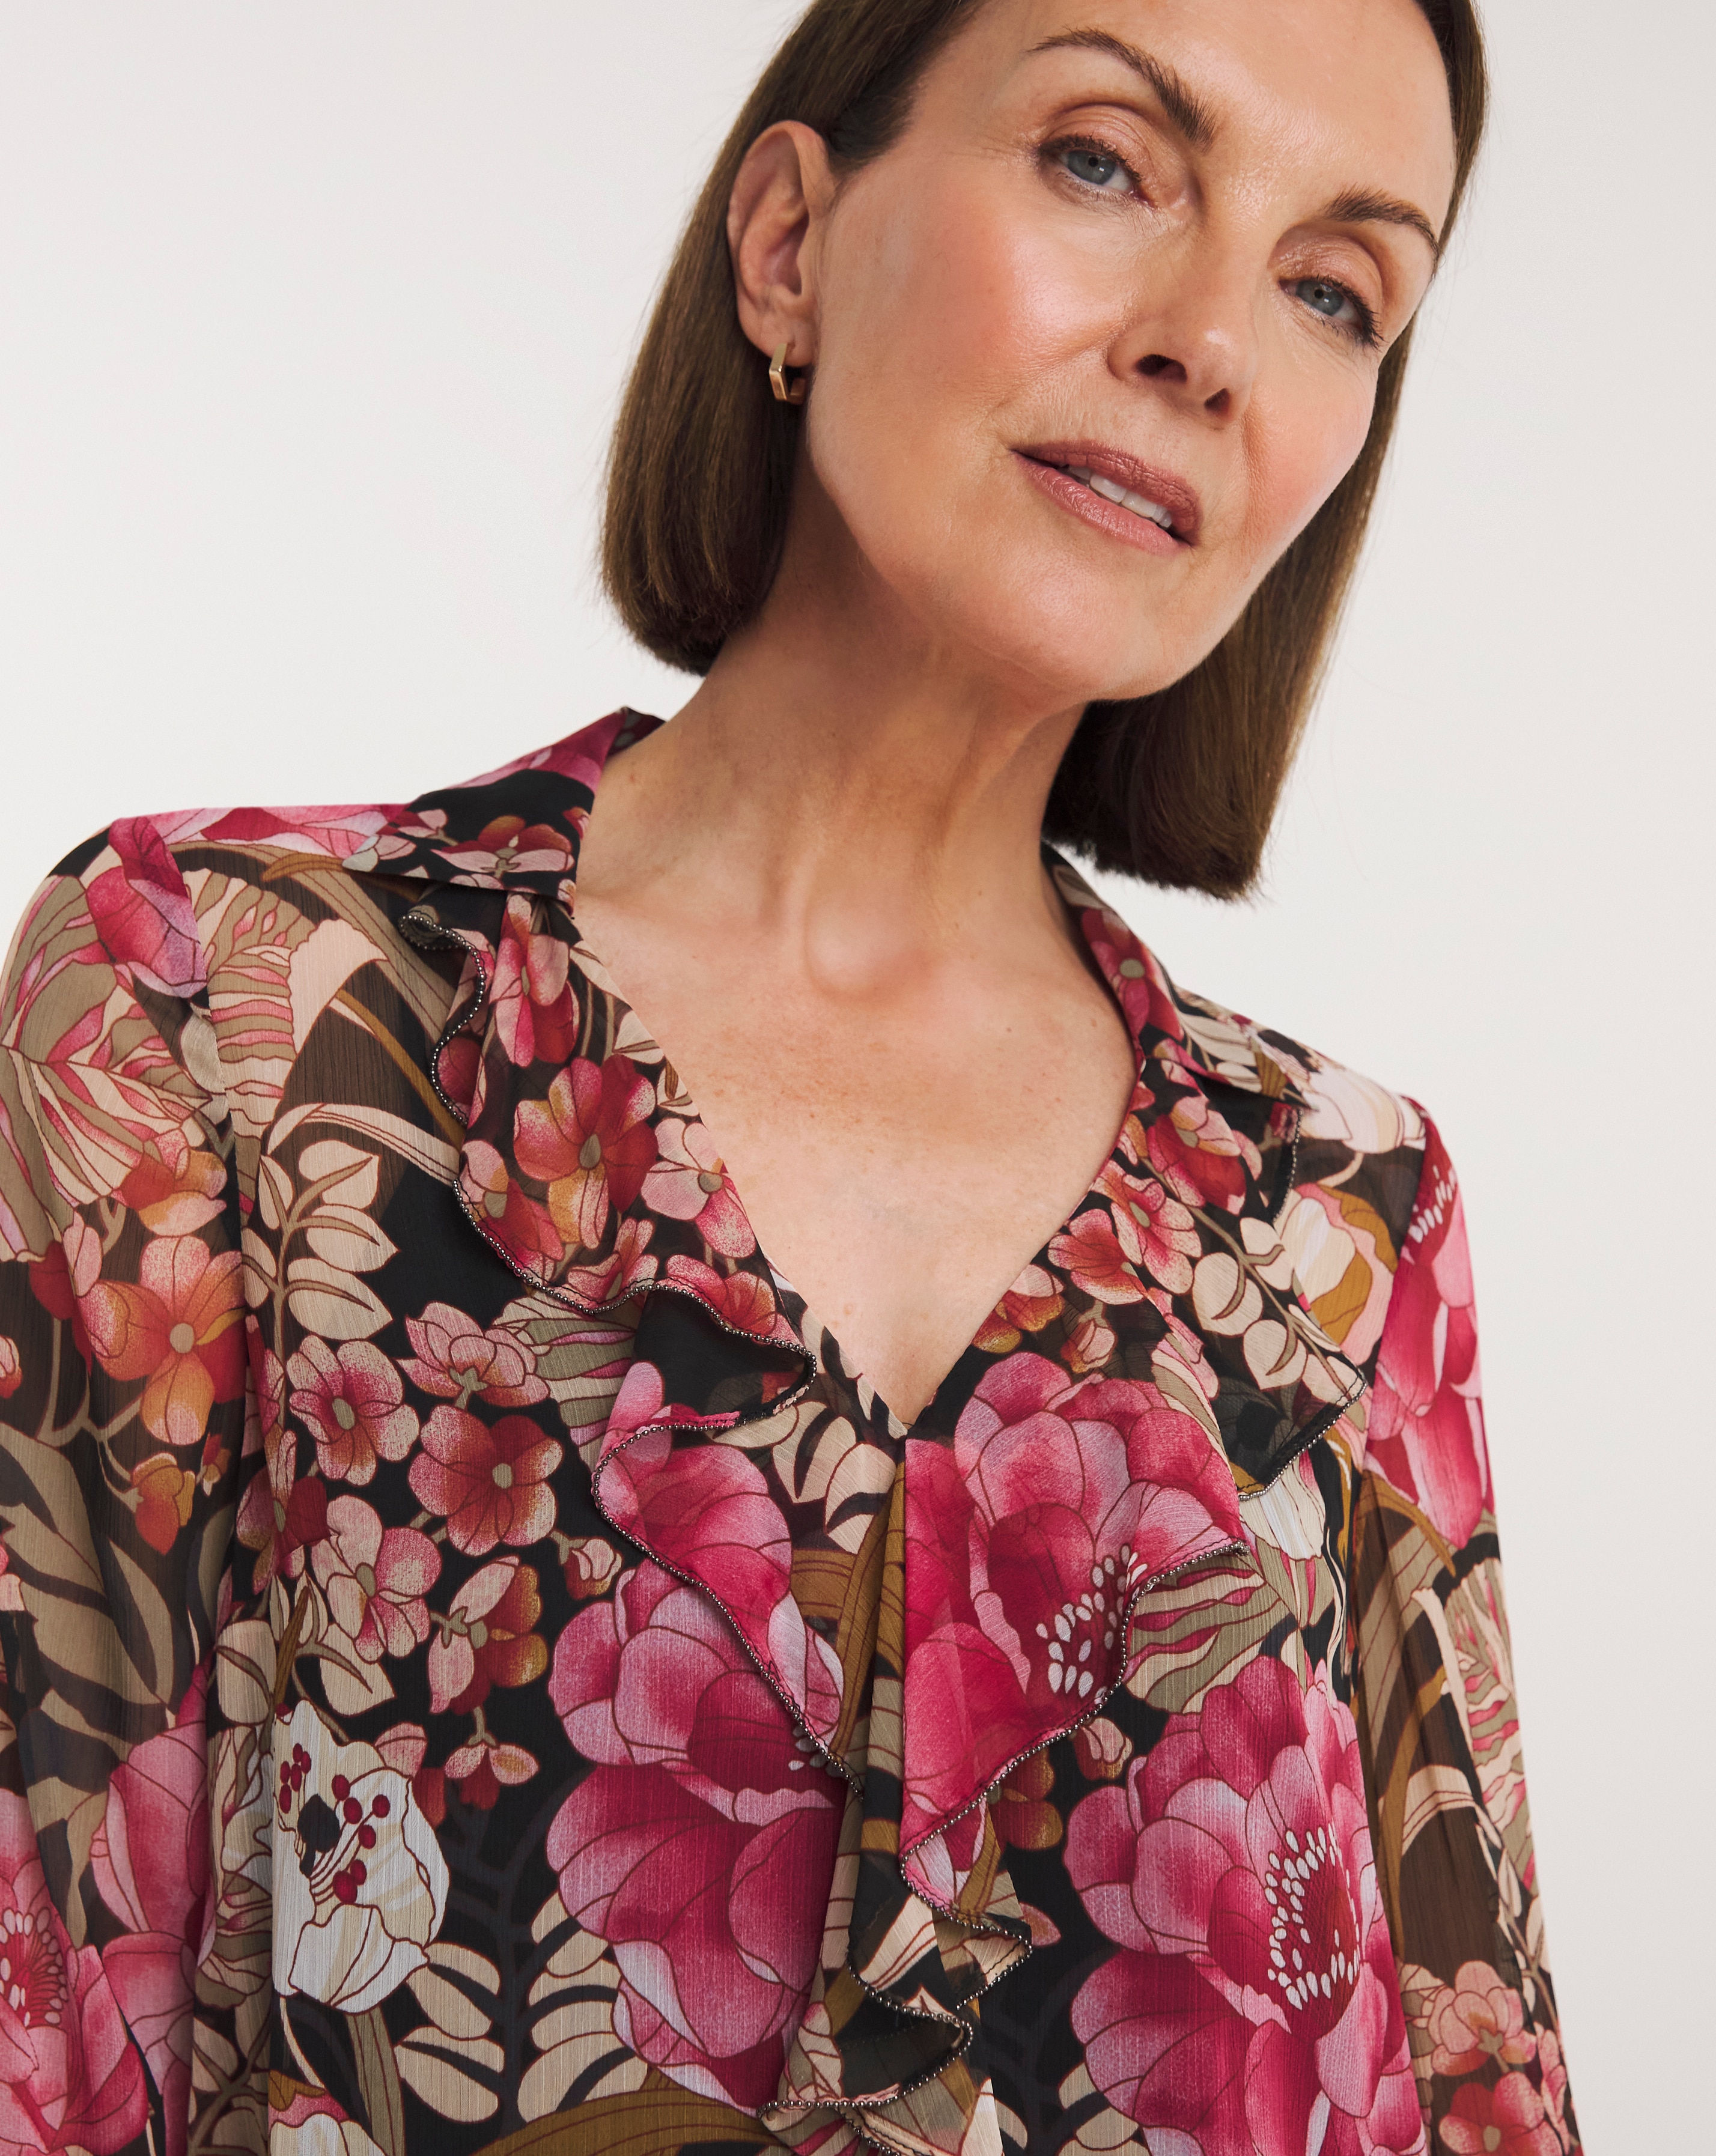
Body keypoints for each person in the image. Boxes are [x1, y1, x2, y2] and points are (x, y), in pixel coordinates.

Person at [0, 1, 1577, 2151]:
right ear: (786, 245)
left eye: (1335, 291)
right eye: (1105, 160)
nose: (1211, 341)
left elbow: (1476, 2081)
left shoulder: (1340, 1220)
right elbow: (44, 2000)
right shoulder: (224, 1012)